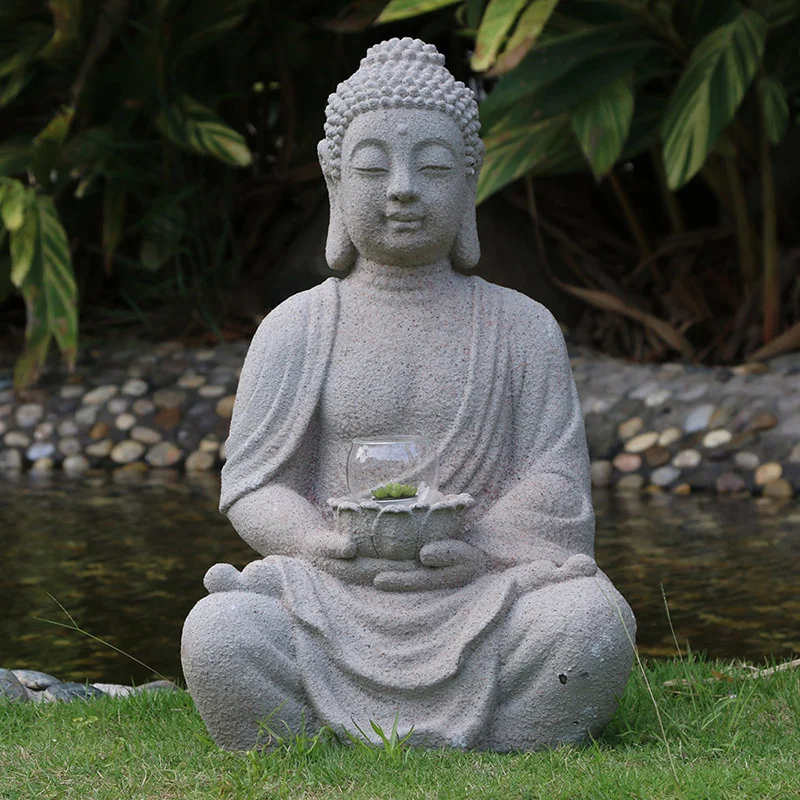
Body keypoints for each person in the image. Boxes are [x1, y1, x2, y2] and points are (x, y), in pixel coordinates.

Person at [181, 37, 635, 752]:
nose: (401, 189)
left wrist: (481, 549)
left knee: (590, 623)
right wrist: (310, 541)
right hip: (331, 595)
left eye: (431, 167)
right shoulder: (297, 327)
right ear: (336, 183)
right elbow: (251, 483)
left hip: (482, 591)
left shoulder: (521, 327)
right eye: (372, 167)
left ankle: (496, 735)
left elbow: (555, 482)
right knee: (219, 632)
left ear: (468, 184)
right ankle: (417, 737)